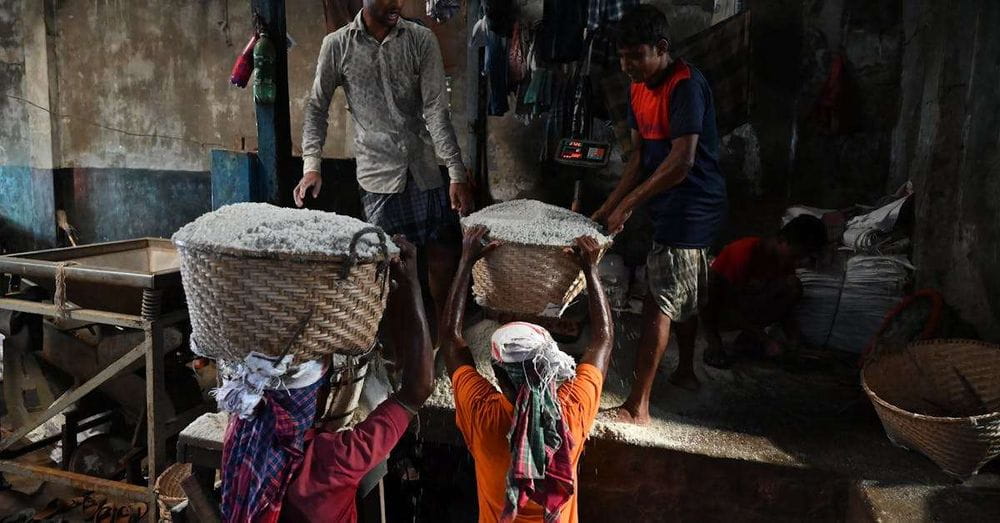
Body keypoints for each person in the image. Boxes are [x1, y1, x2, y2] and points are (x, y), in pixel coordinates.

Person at [294, 0, 473, 349]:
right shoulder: (338, 45)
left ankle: (446, 343)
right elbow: (317, 107)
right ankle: (402, 352)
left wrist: (455, 171)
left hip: (423, 168)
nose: (397, 4)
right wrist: (311, 166)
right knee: (392, 270)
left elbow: (436, 109)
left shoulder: (420, 40)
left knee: (441, 257)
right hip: (378, 177)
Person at [590, 5, 727, 424]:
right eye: (622, 57)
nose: (627, 66)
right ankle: (685, 371)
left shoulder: (686, 86)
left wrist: (629, 206)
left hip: (693, 202)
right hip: (667, 198)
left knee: (659, 300)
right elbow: (638, 161)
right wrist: (609, 206)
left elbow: (681, 161)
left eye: (635, 56)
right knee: (684, 288)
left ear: (661, 48)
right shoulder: (638, 87)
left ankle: (638, 406)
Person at [440, 225, 614, 523]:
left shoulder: (483, 413)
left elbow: (450, 339)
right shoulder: (571, 410)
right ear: (550, 368)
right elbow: (603, 339)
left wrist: (466, 260)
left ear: (497, 373)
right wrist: (590, 270)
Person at [278, 236, 435, 522]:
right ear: (320, 398)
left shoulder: (246, 443)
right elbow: (419, 388)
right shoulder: (331, 462)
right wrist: (412, 280)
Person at [701, 215, 828, 368]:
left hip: (743, 305)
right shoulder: (743, 252)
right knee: (709, 287)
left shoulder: (784, 260)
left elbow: (785, 310)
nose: (798, 262)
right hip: (718, 309)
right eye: (796, 256)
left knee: (793, 287)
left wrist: (794, 339)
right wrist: (765, 339)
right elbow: (726, 305)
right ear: (782, 240)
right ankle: (713, 341)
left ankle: (747, 338)